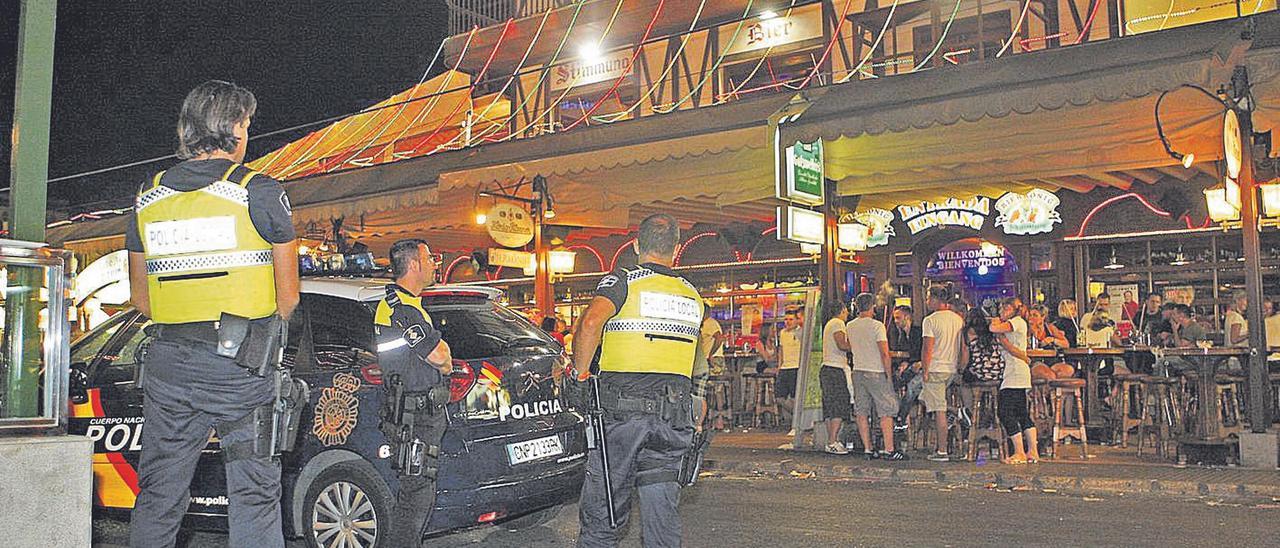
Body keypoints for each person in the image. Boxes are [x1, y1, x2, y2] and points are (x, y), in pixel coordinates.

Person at [126, 81, 299, 548]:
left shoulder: (148, 196)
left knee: (160, 492)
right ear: (231, 128)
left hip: (169, 365)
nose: (247, 133)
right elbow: (289, 297)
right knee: (254, 492)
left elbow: (141, 299)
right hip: (239, 368)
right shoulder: (256, 191)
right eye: (245, 124)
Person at [571, 214, 703, 548]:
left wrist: (580, 375)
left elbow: (590, 323)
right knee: (662, 513)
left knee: (605, 514)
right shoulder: (692, 294)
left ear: (635, 245)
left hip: (623, 416)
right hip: (672, 418)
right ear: (676, 249)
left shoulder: (624, 280)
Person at [374, 239, 454, 547]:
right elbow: (439, 355)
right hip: (413, 416)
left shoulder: (411, 305)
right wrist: (444, 362)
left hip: (419, 413)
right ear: (414, 265)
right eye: (430, 257)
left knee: (419, 494)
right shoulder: (401, 308)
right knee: (415, 497)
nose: (436, 262)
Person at [848, 293, 905, 460]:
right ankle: (889, 449)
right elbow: (884, 353)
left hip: (858, 371)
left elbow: (850, 346)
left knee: (862, 410)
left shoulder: (850, 326)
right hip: (876, 371)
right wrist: (888, 375)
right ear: (872, 306)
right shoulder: (877, 326)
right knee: (885, 411)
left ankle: (867, 448)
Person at [990, 298, 1038, 464]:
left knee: (1005, 412)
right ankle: (1032, 450)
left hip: (1015, 373)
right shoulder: (1018, 323)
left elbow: (993, 328)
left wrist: (996, 324)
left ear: (1011, 309)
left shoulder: (1017, 322)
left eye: (1003, 308)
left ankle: (1019, 451)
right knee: (1022, 412)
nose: (1001, 312)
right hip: (1017, 371)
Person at [920, 285, 965, 462]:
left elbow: (927, 349)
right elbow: (962, 347)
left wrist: (925, 369)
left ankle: (942, 450)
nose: (926, 301)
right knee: (935, 403)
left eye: (928, 298)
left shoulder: (930, 321)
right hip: (952, 369)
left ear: (935, 299)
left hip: (936, 368)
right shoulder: (958, 320)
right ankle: (955, 413)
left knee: (938, 410)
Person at [818, 300, 851, 454]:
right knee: (839, 404)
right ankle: (832, 440)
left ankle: (831, 440)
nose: (848, 314)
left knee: (830, 406)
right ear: (842, 310)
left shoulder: (829, 324)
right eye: (846, 311)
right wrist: (858, 344)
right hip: (835, 368)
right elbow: (842, 345)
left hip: (827, 368)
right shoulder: (838, 323)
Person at [889, 305, 924, 430]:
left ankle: (899, 417)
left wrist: (908, 362)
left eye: (898, 318)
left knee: (908, 386)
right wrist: (904, 362)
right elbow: (905, 354)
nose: (895, 321)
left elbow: (920, 352)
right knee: (893, 381)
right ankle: (896, 414)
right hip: (912, 368)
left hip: (922, 368)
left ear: (907, 317)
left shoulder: (918, 332)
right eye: (894, 318)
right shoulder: (902, 335)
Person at [776, 306, 804, 430]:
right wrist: (779, 365)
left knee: (794, 396)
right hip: (785, 367)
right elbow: (781, 350)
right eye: (786, 319)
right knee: (779, 397)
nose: (788, 322)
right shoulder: (782, 333)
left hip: (796, 366)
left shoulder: (800, 332)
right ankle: (797, 416)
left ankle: (797, 421)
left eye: (791, 319)